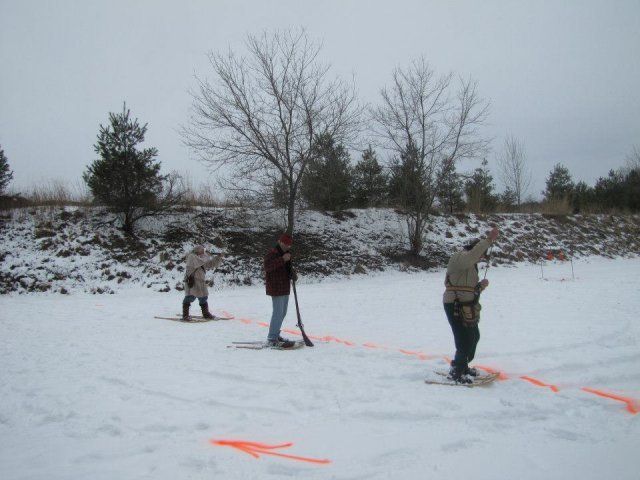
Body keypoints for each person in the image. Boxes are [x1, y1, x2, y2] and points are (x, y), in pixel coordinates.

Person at [443, 227, 499, 383]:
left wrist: (480, 286)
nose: (481, 258)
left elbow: (469, 289)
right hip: (454, 304)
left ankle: (463, 366)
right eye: (481, 254)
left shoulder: (470, 265)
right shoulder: (459, 257)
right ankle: (456, 371)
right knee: (463, 338)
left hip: (467, 305)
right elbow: (473, 255)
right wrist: (489, 240)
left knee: (474, 336)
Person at [263, 233, 298, 348]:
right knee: (277, 313)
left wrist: (293, 274)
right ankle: (272, 338)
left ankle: (276, 334)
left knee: (282, 313)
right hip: (276, 287)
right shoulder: (272, 253)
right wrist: (282, 259)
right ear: (280, 242)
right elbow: (268, 267)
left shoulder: (286, 253)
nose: (287, 246)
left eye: (289, 245)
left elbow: (287, 268)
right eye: (285, 244)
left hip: (285, 287)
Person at [182, 245, 223, 321]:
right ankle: (185, 315)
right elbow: (202, 261)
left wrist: (218, 257)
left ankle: (206, 314)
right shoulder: (191, 256)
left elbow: (210, 264)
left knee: (204, 297)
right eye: (202, 250)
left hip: (201, 281)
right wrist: (207, 254)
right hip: (193, 281)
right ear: (197, 250)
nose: (203, 251)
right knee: (190, 297)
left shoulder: (200, 258)